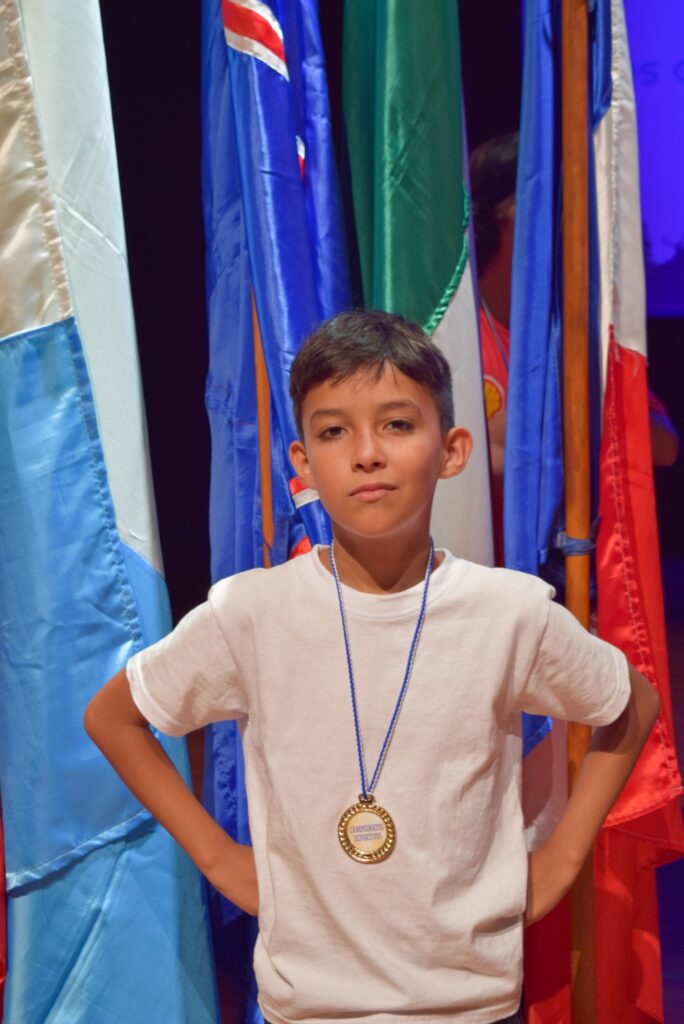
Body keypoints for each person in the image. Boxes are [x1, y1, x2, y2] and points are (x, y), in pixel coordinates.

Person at [85, 310, 660, 1024]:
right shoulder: (252, 613)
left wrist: (565, 856)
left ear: (451, 450)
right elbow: (113, 717)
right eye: (334, 432)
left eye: (397, 424)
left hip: (471, 1004)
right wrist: (218, 858)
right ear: (302, 465)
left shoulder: (509, 611)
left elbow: (631, 703)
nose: (366, 454)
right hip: (309, 1004)